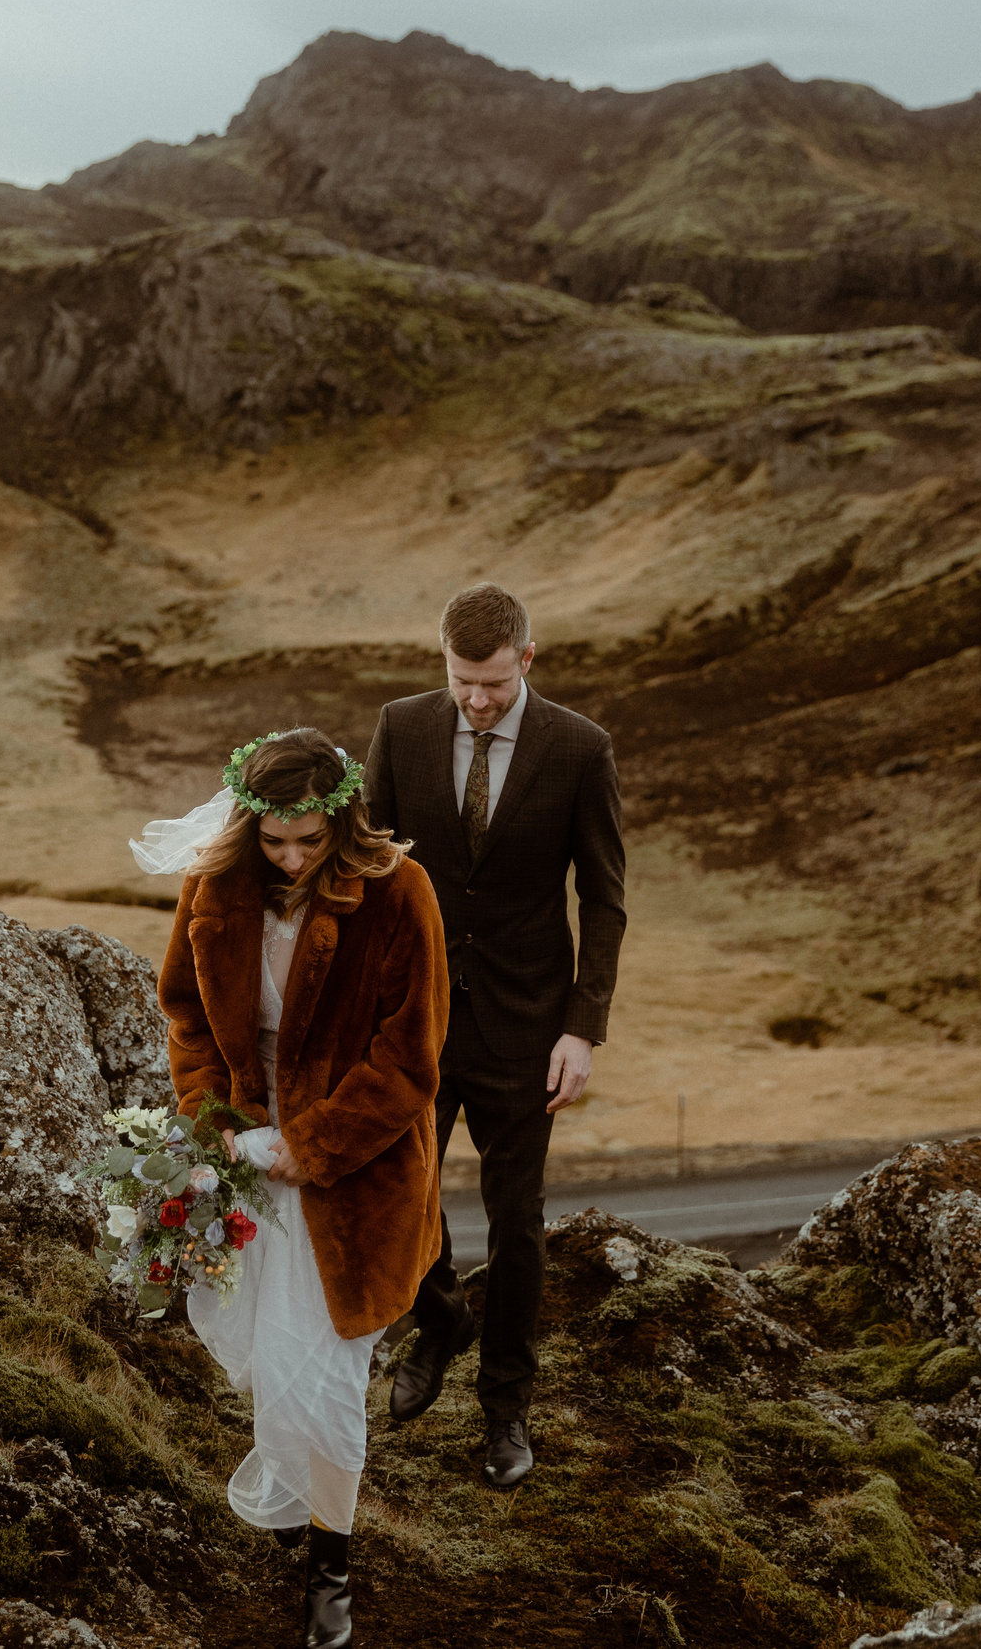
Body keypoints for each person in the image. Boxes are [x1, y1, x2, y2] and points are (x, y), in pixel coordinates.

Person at [138, 728, 448, 1649]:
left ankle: (331, 1568)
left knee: (326, 1369)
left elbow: (409, 1059)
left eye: (310, 841)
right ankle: (298, 1492)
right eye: (275, 841)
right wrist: (219, 1124)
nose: (292, 858)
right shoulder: (214, 887)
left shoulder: (401, 893)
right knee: (269, 1356)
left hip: (356, 1172)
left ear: (341, 820)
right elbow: (185, 1014)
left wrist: (302, 1146)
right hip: (246, 1152)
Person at [362, 582, 626, 1489]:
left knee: (518, 1223)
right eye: (461, 679)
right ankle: (441, 1319)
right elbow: (367, 870)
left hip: (527, 1027)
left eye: (493, 683)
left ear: (527, 659)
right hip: (419, 1016)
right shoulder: (399, 728)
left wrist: (581, 1028)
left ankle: (506, 1409)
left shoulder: (580, 748)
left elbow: (604, 896)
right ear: (444, 660)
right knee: (403, 1190)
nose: (476, 699)